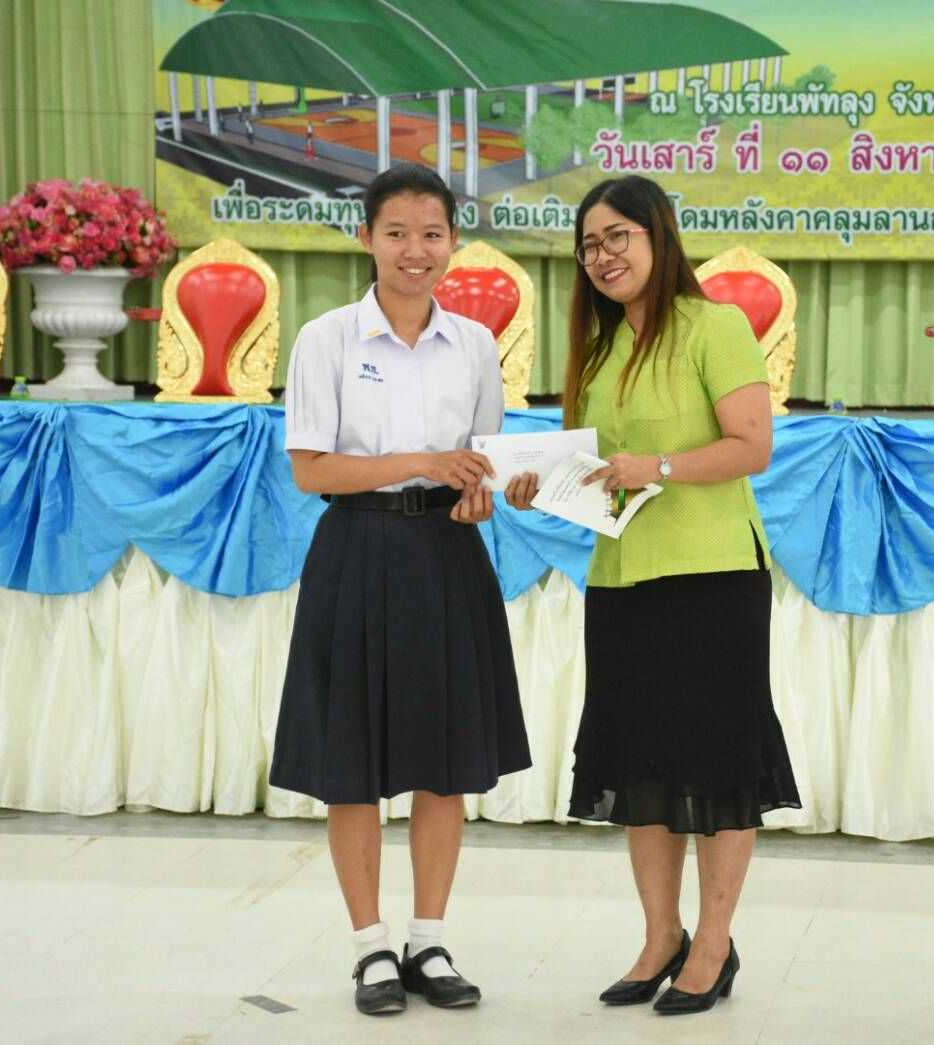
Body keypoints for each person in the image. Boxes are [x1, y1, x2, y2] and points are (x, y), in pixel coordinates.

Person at [508, 174, 800, 1016]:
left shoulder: (715, 325)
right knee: (639, 761)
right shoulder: (598, 348)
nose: (602, 256)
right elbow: (605, 480)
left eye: (617, 237)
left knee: (717, 762)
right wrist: (543, 487)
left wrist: (659, 466)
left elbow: (751, 446)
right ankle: (660, 934)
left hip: (712, 575)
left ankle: (713, 942)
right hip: (622, 578)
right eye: (588, 246)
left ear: (659, 235)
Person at [270, 164, 531, 1016]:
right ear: (366, 239)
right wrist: (420, 459)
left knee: (443, 761)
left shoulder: (476, 344)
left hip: (448, 554)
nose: (415, 251)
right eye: (396, 233)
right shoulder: (327, 340)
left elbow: (480, 461)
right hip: (356, 550)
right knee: (352, 765)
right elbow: (312, 470)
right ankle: (369, 947)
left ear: (453, 241)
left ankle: (428, 938)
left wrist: (479, 491)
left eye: (431, 234)